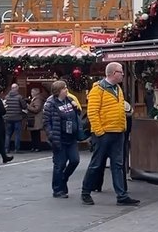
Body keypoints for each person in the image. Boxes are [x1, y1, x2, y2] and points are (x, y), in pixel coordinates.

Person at [81, 63, 139, 206]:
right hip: (104, 134)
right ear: (113, 73)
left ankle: (121, 195)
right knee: (96, 164)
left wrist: (123, 127)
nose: (123, 74)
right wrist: (99, 132)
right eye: (121, 72)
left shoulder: (117, 89)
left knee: (118, 165)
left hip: (118, 132)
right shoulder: (98, 90)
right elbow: (92, 112)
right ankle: (85, 192)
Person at [43, 81, 81, 198]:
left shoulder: (69, 100)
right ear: (58, 91)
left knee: (75, 160)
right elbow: (46, 122)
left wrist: (76, 108)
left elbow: (77, 115)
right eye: (64, 88)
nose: (66, 90)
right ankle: (58, 189)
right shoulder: (50, 104)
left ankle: (63, 178)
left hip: (71, 137)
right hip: (59, 138)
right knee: (60, 164)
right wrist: (51, 136)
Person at [2, 84, 25, 155]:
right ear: (17, 88)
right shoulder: (19, 97)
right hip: (17, 118)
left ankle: (6, 149)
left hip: (8, 118)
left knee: (8, 134)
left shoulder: (6, 97)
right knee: (17, 134)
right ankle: (16, 149)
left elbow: (4, 106)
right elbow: (24, 106)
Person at [27, 85, 47, 152]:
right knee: (34, 133)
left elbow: (36, 109)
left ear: (36, 92)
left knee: (36, 134)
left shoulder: (38, 99)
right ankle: (35, 146)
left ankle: (37, 147)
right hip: (34, 119)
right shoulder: (36, 99)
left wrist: (28, 107)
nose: (31, 93)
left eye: (32, 92)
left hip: (36, 119)